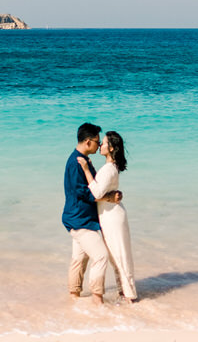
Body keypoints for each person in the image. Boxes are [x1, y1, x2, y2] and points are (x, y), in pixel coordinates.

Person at [77, 130, 137, 302]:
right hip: (110, 214)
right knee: (116, 256)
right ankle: (125, 293)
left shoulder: (109, 169)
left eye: (103, 143)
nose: (100, 146)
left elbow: (95, 193)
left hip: (112, 217)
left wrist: (86, 169)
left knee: (119, 255)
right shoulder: (110, 168)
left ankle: (130, 296)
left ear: (111, 148)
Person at [63, 122, 112, 304]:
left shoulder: (81, 159)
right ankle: (97, 299)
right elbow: (82, 191)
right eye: (97, 142)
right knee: (101, 256)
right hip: (79, 219)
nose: (99, 145)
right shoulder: (76, 162)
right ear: (88, 141)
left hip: (80, 217)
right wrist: (107, 197)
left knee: (79, 258)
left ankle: (74, 296)